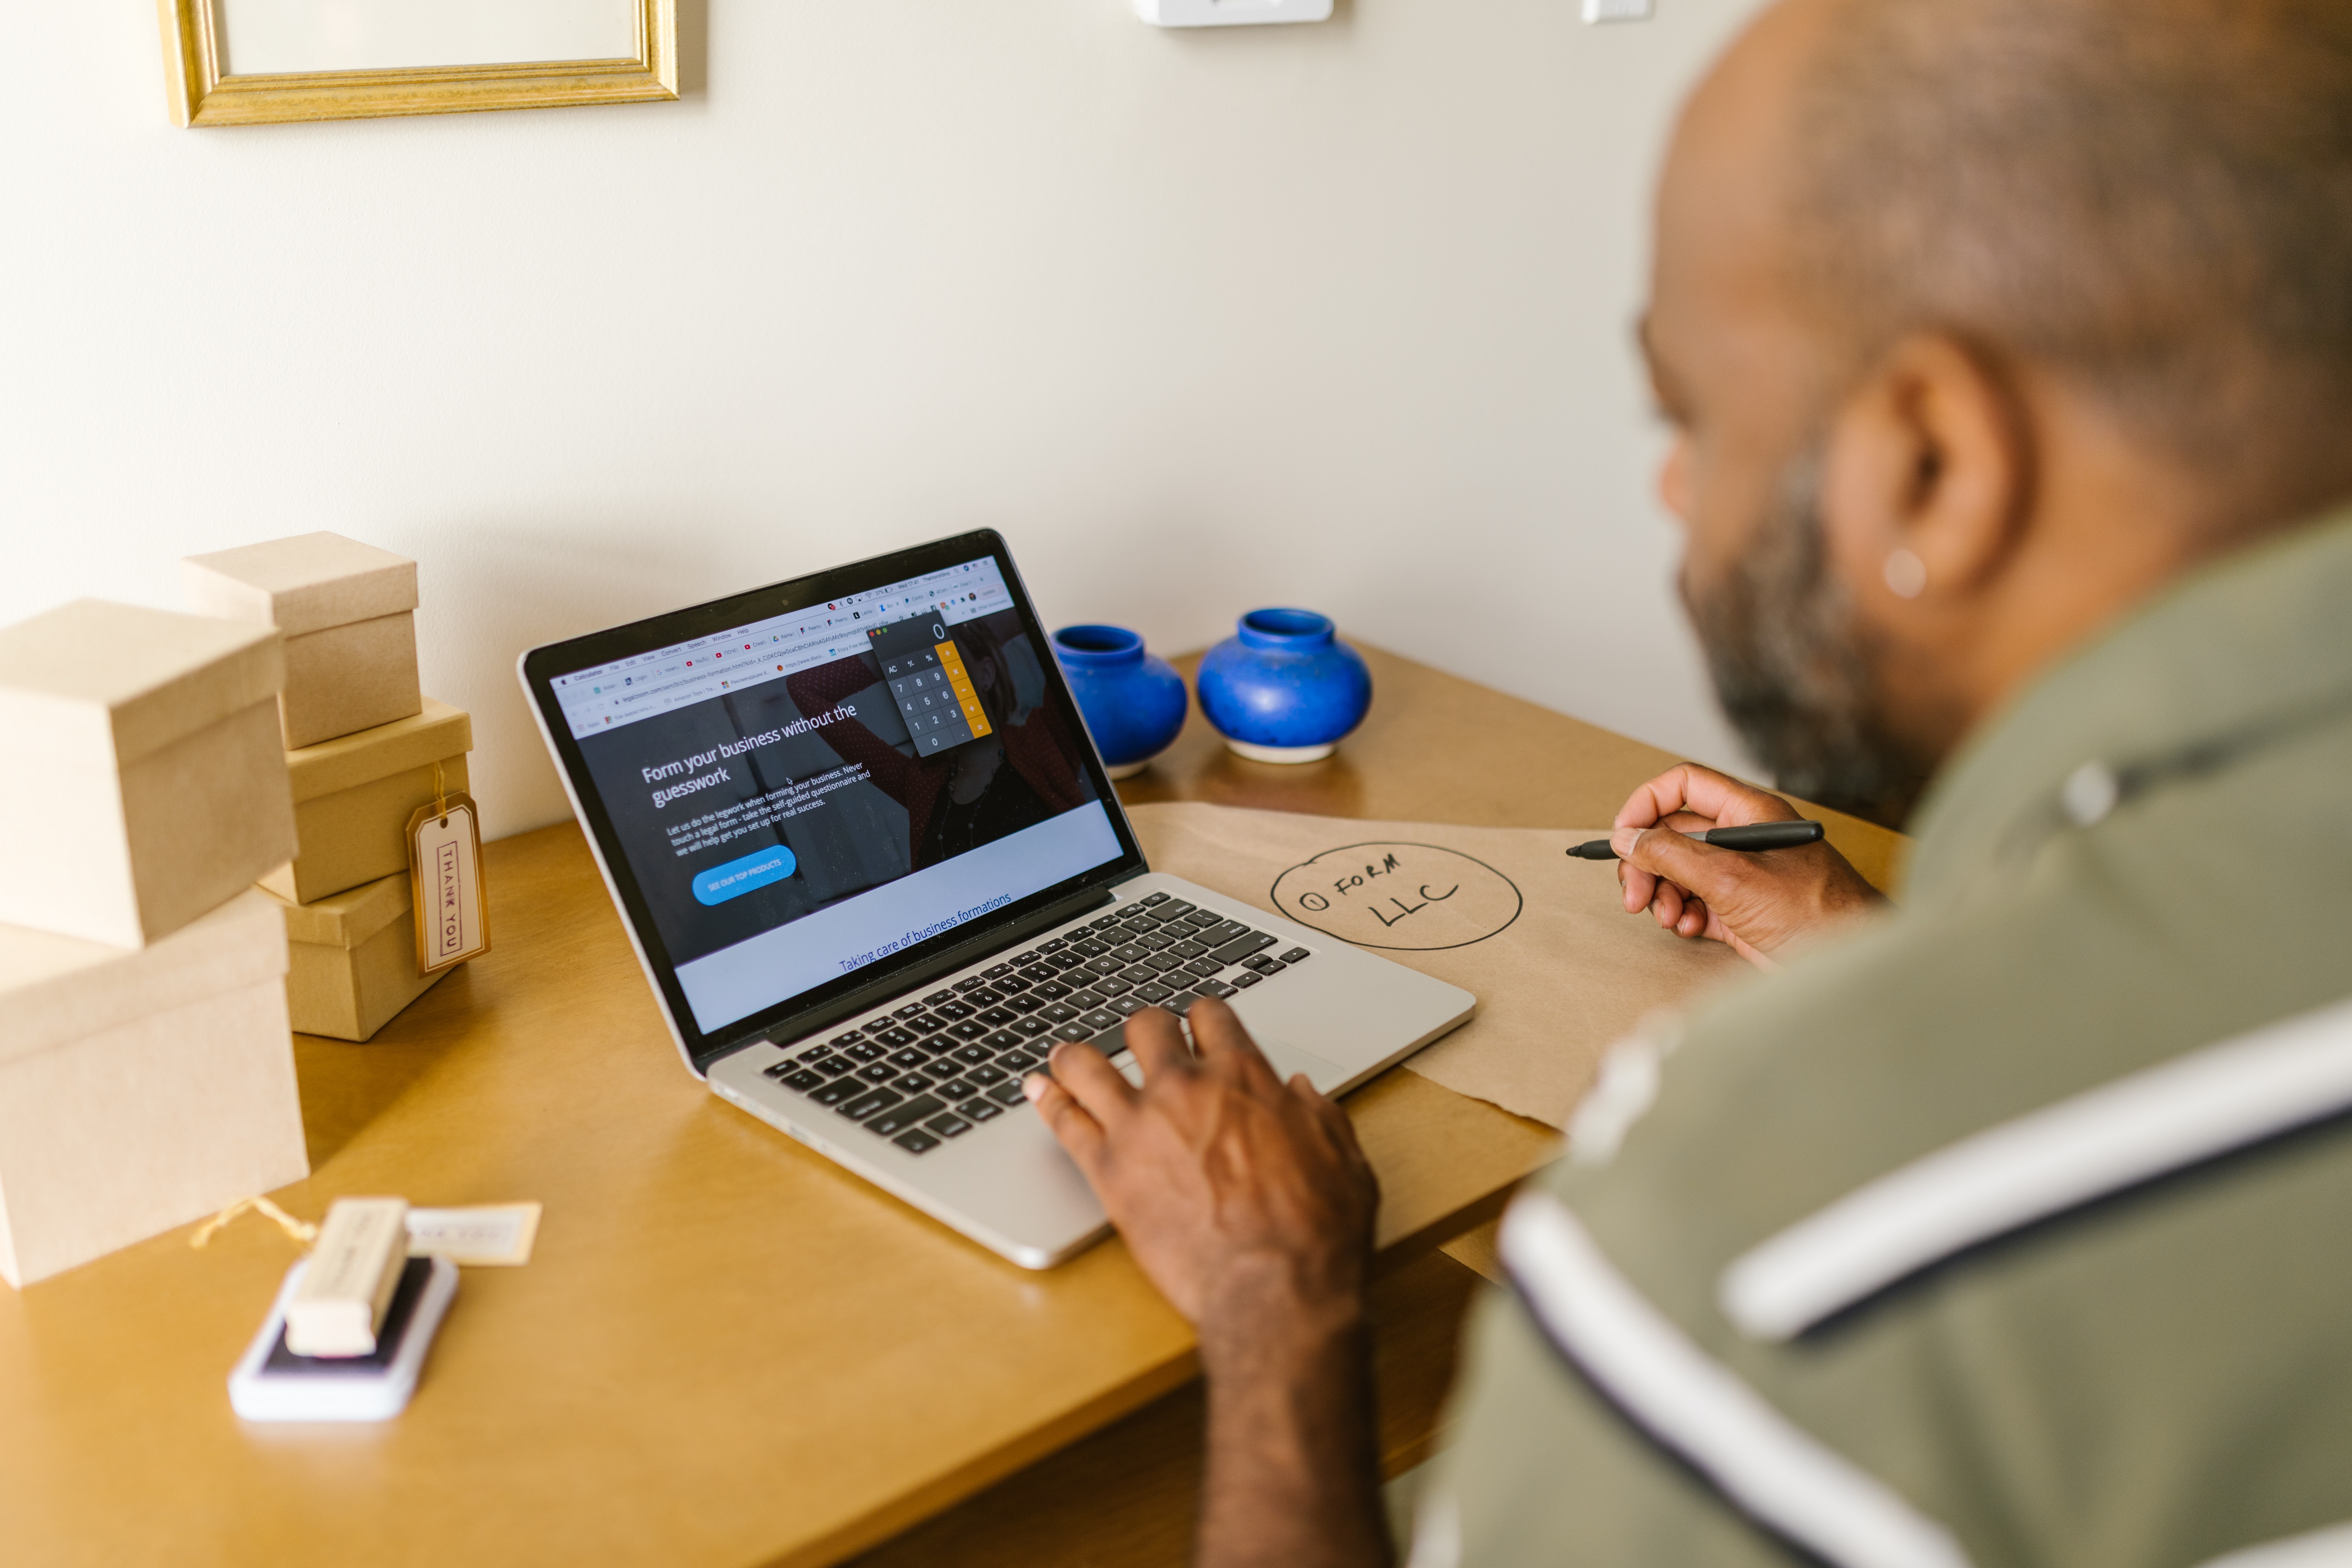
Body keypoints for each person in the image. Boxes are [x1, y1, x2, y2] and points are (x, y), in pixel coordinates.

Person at [1020, 0, 2352, 1562]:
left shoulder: (1780, 1224)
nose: (1673, 485)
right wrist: (1878, 947)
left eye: (1694, 416)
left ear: (1936, 460)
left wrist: (1277, 1301)